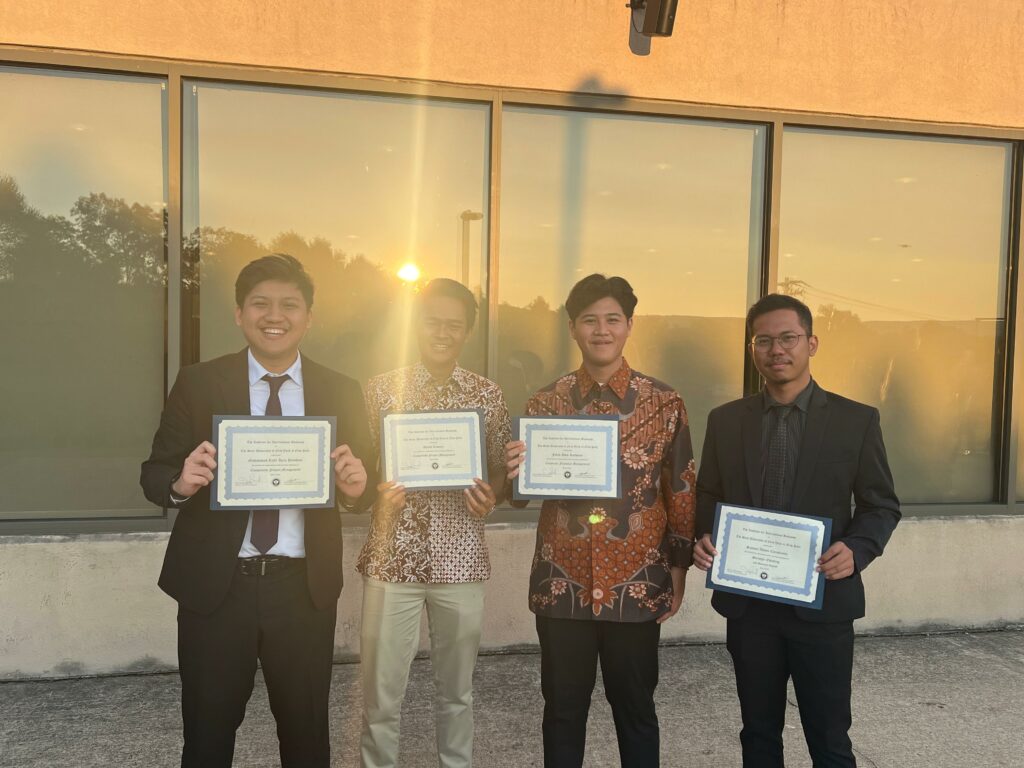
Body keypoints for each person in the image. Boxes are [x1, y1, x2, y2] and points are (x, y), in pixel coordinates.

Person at [140, 253, 373, 768]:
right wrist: (180, 482)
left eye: (289, 305)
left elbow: (364, 482)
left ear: (308, 317)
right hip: (217, 590)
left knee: (306, 737)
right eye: (260, 303)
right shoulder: (199, 382)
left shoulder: (340, 389)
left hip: (302, 590)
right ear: (239, 314)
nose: (275, 316)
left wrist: (357, 489)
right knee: (207, 736)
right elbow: (154, 474)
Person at [693, 293, 901, 768]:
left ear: (812, 343)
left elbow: (881, 505)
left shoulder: (856, 421)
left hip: (823, 604)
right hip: (750, 608)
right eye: (764, 341)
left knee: (830, 739)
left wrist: (857, 548)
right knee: (758, 734)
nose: (777, 350)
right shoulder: (726, 421)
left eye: (788, 338)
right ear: (752, 349)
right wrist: (703, 536)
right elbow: (708, 493)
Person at [505, 274, 695, 768]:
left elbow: (680, 490)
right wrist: (514, 471)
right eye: (590, 320)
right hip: (562, 584)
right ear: (573, 328)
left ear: (630, 325)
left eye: (613, 319)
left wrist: (678, 568)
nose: (602, 330)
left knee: (636, 711)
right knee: (562, 712)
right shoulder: (544, 404)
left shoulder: (664, 403)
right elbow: (520, 497)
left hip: (637, 583)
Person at [357, 278, 512, 768]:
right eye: (432, 322)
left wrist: (490, 495)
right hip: (392, 559)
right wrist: (376, 492)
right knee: (381, 696)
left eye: (454, 325)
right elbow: (360, 470)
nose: (443, 333)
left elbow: (499, 471)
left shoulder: (487, 395)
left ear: (467, 331)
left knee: (457, 693)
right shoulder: (380, 390)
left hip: (460, 559)